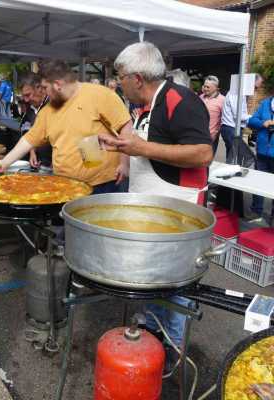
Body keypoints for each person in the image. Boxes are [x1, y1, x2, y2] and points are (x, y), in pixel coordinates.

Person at [99, 42, 212, 370]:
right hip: (149, 206)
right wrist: (122, 147)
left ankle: (174, 350)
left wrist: (142, 148)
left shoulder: (180, 100)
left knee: (176, 283)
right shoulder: (144, 107)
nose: (118, 83)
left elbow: (202, 153)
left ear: (137, 78)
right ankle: (149, 333)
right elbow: (143, 147)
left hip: (178, 208)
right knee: (148, 275)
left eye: (120, 77)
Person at [0, 60, 131, 193]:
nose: (44, 92)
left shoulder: (99, 94)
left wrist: (125, 164)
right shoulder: (48, 110)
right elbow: (29, 140)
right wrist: (4, 162)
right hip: (65, 183)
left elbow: (125, 125)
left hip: (103, 184)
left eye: (46, 87)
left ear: (58, 84)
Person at [248, 95, 274, 218]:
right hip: (262, 151)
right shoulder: (265, 103)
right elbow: (251, 121)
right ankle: (256, 210)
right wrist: (264, 123)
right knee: (258, 182)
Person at [19, 72, 52, 169]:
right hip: (38, 165)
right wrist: (32, 151)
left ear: (39, 88)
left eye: (28, 95)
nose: (25, 100)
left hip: (54, 165)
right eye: (23, 96)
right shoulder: (29, 110)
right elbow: (28, 131)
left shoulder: (53, 105)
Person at [199, 75, 225, 154]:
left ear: (216, 88)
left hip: (210, 137)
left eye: (208, 87)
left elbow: (224, 118)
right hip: (197, 134)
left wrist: (216, 132)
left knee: (207, 161)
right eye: (204, 86)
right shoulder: (201, 97)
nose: (205, 89)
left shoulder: (222, 100)